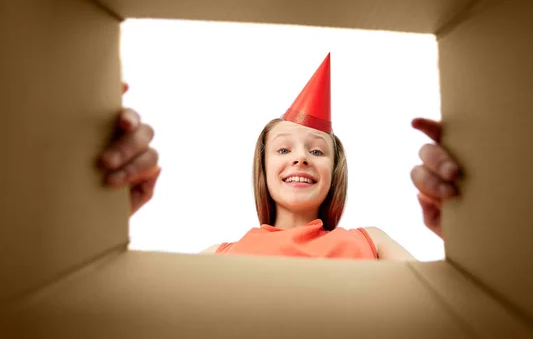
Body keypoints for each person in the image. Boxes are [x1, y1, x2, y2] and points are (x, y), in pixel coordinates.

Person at [98, 56, 461, 260]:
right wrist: (102, 215)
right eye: (284, 149)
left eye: (317, 150)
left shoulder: (372, 242)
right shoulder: (220, 257)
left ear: (335, 173)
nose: (301, 158)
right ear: (264, 169)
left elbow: (443, 307)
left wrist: (466, 234)